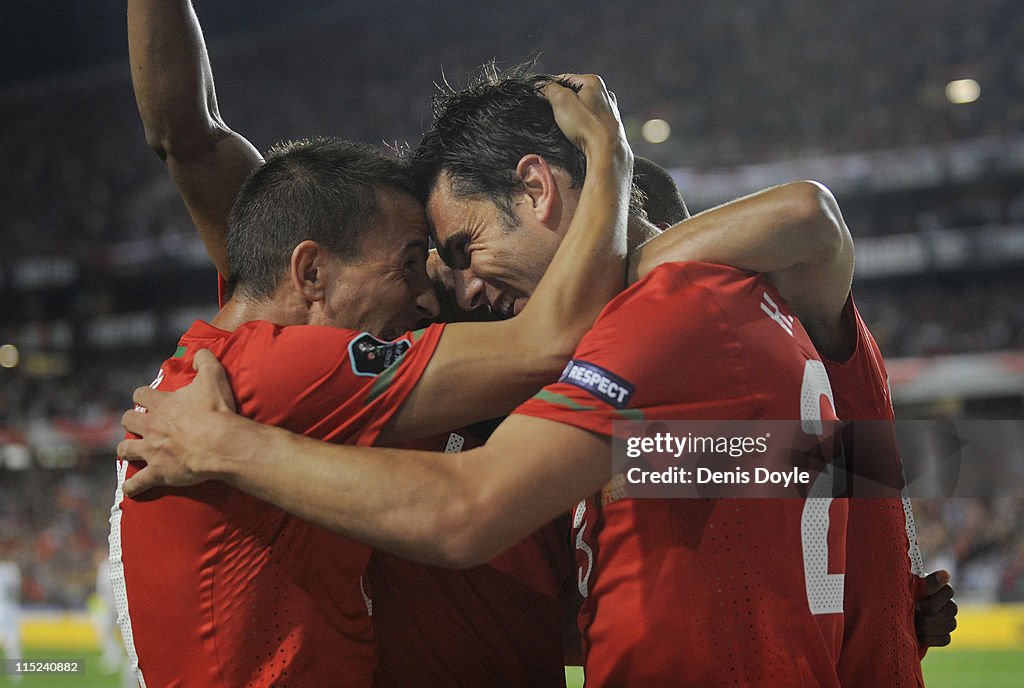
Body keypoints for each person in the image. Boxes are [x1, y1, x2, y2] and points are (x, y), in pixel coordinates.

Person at [111, 73, 638, 687]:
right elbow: (463, 509)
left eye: (456, 254)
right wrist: (609, 159)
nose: (439, 291)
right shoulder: (275, 368)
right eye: (417, 264)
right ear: (310, 272)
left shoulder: (251, 381)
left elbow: (742, 460)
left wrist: (231, 449)